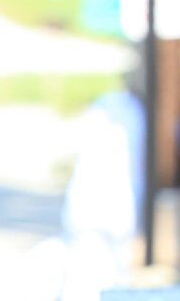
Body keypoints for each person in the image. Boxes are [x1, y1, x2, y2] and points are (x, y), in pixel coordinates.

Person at [59, 78, 146, 301]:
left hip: (102, 206)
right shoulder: (130, 115)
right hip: (107, 206)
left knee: (98, 272)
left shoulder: (116, 115)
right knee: (101, 272)